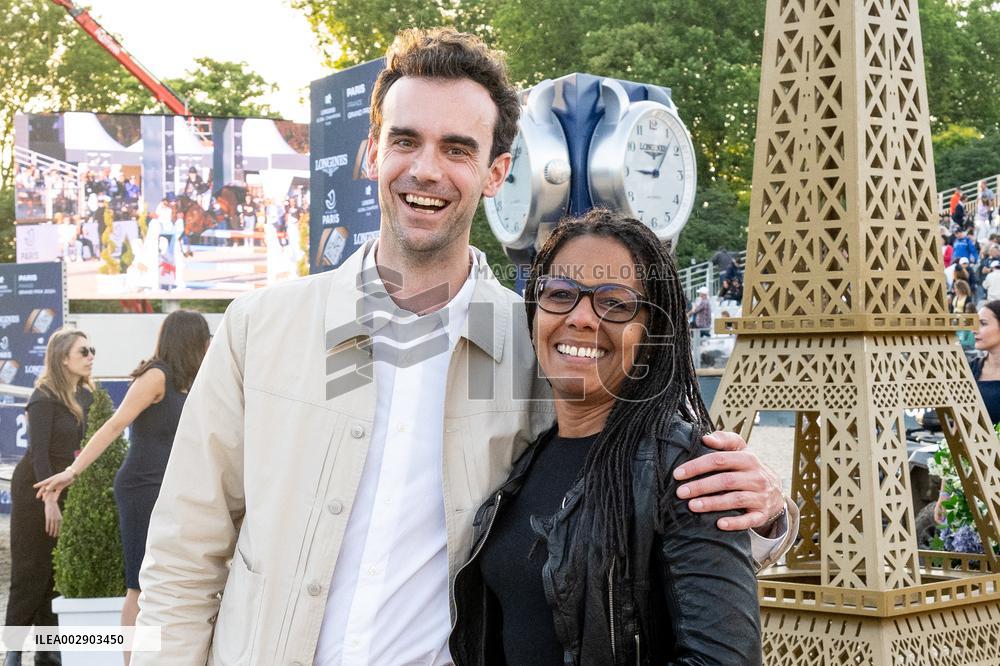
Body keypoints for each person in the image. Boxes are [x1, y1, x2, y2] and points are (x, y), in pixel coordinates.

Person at [133, 28, 794, 665]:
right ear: (373, 152)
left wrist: (766, 512)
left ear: (496, 172)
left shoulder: (540, 345)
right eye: (405, 140)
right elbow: (182, 557)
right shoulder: (260, 328)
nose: (426, 170)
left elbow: (642, 490)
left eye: (457, 148)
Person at [451, 210, 764, 664]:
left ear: (651, 333)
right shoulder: (527, 454)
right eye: (560, 294)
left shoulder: (683, 467)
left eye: (615, 303)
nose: (581, 317)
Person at [33, 311, 211, 666]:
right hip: (142, 489)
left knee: (170, 580)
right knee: (139, 584)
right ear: (190, 340)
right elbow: (115, 425)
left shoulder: (188, 381)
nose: (210, 344)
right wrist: (72, 471)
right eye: (205, 338)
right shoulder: (156, 376)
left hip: (171, 490)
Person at [3, 329, 95, 666]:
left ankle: (47, 649)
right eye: (83, 351)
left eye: (92, 350)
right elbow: (39, 453)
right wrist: (49, 499)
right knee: (30, 572)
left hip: (64, 487)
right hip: (36, 490)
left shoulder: (85, 395)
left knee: (55, 574)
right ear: (63, 358)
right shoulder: (43, 397)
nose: (90, 356)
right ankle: (13, 652)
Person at [934, 300, 1000, 523]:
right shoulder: (970, 369)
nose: (974, 330)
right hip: (972, 478)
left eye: (983, 323)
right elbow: (956, 433)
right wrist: (944, 493)